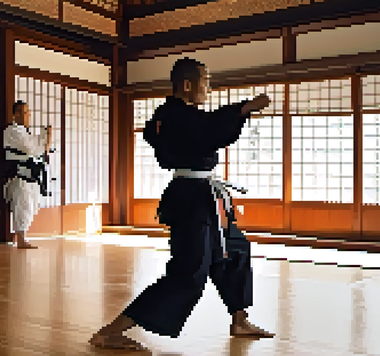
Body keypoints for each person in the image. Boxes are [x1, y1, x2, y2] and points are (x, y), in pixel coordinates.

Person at [89, 58, 275, 350]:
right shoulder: (174, 116)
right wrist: (242, 109)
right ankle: (111, 331)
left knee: (234, 249)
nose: (208, 88)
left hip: (205, 197)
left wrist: (238, 113)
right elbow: (207, 131)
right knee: (189, 272)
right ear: (187, 85)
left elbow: (203, 129)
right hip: (191, 199)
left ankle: (239, 319)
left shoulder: (173, 116)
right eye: (205, 81)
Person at [3, 100, 52, 249]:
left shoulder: (26, 132)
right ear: (14, 114)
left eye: (27, 112)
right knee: (22, 205)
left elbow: (38, 149)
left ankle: (22, 236)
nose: (25, 115)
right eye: (21, 112)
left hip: (31, 175)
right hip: (18, 175)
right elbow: (30, 148)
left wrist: (46, 140)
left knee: (30, 206)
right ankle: (20, 238)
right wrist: (44, 140)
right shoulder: (12, 131)